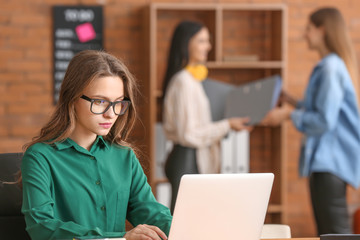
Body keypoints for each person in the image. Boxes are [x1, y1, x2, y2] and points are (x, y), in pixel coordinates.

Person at [20, 50, 172, 240]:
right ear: (73, 98)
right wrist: (121, 238)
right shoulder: (40, 157)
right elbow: (41, 227)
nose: (111, 114)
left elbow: (150, 212)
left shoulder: (124, 156)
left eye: (118, 103)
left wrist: (187, 228)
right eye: (100, 102)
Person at [263, 7, 360, 235]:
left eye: (308, 29)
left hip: (330, 163)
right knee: (328, 230)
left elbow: (325, 120)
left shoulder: (330, 68)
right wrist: (292, 101)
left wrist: (287, 114)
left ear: (322, 30)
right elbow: (321, 109)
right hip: (325, 163)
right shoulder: (330, 66)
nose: (304, 35)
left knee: (335, 231)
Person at [162, 20, 252, 213]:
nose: (208, 46)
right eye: (202, 41)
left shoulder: (192, 80)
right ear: (186, 43)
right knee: (184, 225)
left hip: (192, 159)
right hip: (187, 159)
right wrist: (227, 125)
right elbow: (189, 134)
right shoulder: (183, 82)